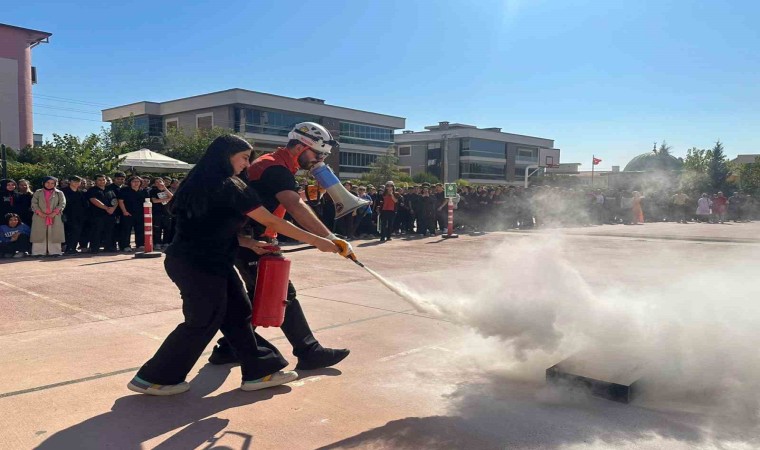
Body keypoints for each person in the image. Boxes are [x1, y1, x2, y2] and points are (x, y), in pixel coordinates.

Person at [128, 134, 341, 396]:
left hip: (208, 260)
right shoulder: (231, 186)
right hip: (199, 264)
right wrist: (319, 241)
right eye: (242, 158)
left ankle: (260, 371)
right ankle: (154, 377)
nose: (246, 164)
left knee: (239, 313)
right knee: (202, 321)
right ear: (225, 157)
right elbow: (273, 222)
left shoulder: (195, 183)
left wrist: (247, 243)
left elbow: (205, 224)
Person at [209, 122, 355, 371]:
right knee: (282, 294)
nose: (320, 160)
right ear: (300, 146)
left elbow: (293, 204)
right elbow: (295, 205)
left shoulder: (278, 164)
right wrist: (329, 237)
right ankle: (309, 351)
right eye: (318, 153)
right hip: (252, 241)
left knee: (261, 295)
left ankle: (227, 349)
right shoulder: (274, 167)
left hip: (252, 238)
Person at [30, 177, 66, 257]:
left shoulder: (59, 193)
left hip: (54, 216)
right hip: (40, 216)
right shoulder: (38, 192)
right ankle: (38, 252)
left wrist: (55, 212)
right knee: (39, 234)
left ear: (55, 184)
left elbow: (62, 204)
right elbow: (34, 203)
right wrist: (39, 212)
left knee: (54, 233)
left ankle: (55, 252)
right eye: (47, 183)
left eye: (52, 183)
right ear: (44, 183)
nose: (49, 185)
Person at [86, 175, 118, 253]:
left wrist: (113, 208)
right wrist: (106, 208)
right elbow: (93, 200)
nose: (102, 181)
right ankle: (95, 248)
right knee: (96, 231)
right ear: (96, 181)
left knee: (110, 231)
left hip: (110, 215)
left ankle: (109, 247)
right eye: (99, 180)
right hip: (97, 215)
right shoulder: (92, 190)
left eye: (103, 180)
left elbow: (115, 200)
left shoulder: (110, 190)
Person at [118, 176, 148, 252]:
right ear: (130, 182)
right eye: (134, 181)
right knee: (126, 230)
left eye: (138, 181)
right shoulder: (124, 190)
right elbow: (120, 201)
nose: (136, 183)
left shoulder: (144, 191)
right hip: (127, 213)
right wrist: (124, 211)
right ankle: (125, 246)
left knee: (140, 230)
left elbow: (147, 202)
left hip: (140, 214)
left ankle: (140, 244)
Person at [61, 176, 89, 254]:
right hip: (67, 216)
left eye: (78, 181)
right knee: (68, 233)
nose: (76, 183)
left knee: (77, 232)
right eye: (74, 181)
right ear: (69, 181)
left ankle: (72, 248)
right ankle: (68, 248)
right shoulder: (63, 192)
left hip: (79, 217)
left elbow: (85, 205)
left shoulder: (81, 192)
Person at [149, 178, 174, 250]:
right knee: (157, 228)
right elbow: (154, 201)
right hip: (157, 212)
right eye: (157, 182)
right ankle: (157, 243)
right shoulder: (153, 191)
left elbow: (172, 197)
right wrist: (167, 199)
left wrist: (165, 188)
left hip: (167, 212)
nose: (159, 183)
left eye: (160, 181)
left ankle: (166, 242)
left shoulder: (168, 190)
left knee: (167, 228)